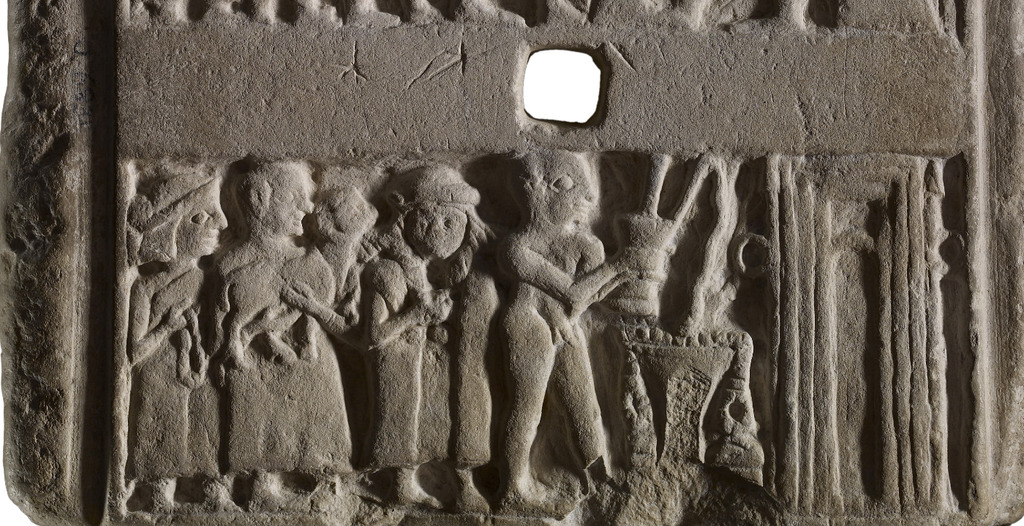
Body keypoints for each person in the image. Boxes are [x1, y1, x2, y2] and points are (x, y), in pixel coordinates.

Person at [498, 150, 632, 513]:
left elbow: (586, 299)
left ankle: (601, 482)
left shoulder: (584, 244)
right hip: (528, 324)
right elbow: (571, 292)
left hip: (565, 324)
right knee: (528, 410)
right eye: (567, 186)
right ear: (536, 191)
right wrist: (617, 266)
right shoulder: (516, 247)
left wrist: (622, 271)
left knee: (585, 407)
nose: (585, 198)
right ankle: (513, 488)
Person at [213, 161, 351, 509]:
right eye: (295, 197)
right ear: (259, 199)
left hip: (307, 357)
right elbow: (220, 318)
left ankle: (321, 474)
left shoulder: (309, 259)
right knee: (256, 407)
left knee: (316, 397)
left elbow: (328, 294)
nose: (307, 206)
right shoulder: (232, 263)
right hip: (252, 364)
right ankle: (259, 482)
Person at [361, 164, 497, 508]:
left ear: (468, 225)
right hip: (408, 362)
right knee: (404, 399)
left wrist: (457, 316)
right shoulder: (388, 272)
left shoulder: (475, 277)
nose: (437, 231)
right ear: (404, 223)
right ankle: (401, 481)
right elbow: (374, 335)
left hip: (457, 364)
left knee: (467, 399)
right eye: (424, 221)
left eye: (449, 222)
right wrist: (416, 316)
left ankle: (464, 479)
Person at [125, 169, 227, 512]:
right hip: (159, 382)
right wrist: (167, 327)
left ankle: (210, 486)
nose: (220, 224)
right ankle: (155, 493)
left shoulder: (209, 282)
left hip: (197, 373)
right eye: (202, 217)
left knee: (203, 429)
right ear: (172, 230)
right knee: (162, 437)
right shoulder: (146, 289)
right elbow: (134, 352)